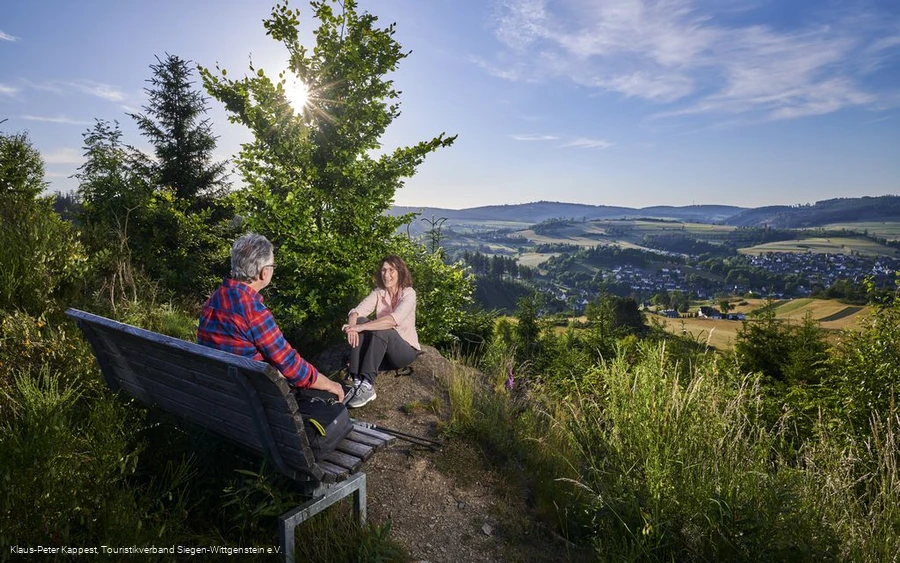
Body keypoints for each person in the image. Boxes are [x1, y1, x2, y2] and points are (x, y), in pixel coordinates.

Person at [198, 233, 344, 402]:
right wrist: (331, 384)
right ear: (264, 272)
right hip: (249, 403)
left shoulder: (215, 299)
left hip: (216, 393)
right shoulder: (253, 311)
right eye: (272, 266)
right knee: (327, 396)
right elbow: (291, 365)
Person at [341, 255, 420, 408]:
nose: (386, 274)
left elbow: (392, 320)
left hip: (404, 351)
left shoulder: (409, 293)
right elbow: (355, 312)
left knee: (382, 327)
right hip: (383, 351)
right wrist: (352, 327)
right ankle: (357, 380)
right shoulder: (379, 293)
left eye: (391, 270)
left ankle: (368, 385)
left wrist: (360, 328)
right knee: (361, 321)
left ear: (400, 272)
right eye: (383, 270)